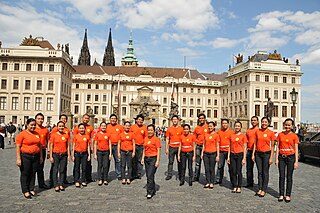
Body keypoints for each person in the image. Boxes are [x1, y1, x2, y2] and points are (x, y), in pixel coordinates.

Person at [16, 118, 43, 199]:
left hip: (36, 156)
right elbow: (18, 146)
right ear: (27, 125)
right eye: (31, 125)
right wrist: (18, 158)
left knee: (33, 172)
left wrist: (41, 156)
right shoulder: (22, 134)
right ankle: (25, 190)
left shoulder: (37, 134)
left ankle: (31, 188)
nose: (33, 126)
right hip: (25, 156)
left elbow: (40, 146)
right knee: (25, 173)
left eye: (34, 125)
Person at [275, 118, 299, 202]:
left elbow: (296, 149)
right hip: (282, 157)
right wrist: (276, 159)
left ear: (292, 126)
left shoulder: (294, 136)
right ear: (284, 125)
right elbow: (277, 147)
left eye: (289, 125)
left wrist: (296, 161)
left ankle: (288, 195)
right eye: (286, 125)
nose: (287, 126)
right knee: (281, 176)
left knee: (289, 177)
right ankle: (281, 194)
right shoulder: (280, 134)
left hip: (291, 158)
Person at [252, 117, 276, 197]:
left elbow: (272, 146)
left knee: (265, 172)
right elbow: (255, 143)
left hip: (266, 154)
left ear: (268, 123)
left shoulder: (271, 133)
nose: (264, 123)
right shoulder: (257, 131)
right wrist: (253, 154)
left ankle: (264, 189)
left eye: (265, 122)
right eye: (263, 122)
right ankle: (259, 188)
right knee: (259, 172)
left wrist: (271, 157)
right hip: (258, 154)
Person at [49, 121, 70, 192]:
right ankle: (55, 185)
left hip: (64, 155)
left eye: (62, 126)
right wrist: (51, 156)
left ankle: (61, 184)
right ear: (57, 127)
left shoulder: (66, 135)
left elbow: (67, 146)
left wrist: (69, 155)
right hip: (56, 154)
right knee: (55, 170)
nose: (61, 127)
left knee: (62, 170)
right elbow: (51, 146)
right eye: (60, 126)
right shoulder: (54, 135)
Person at [141, 124, 161, 199]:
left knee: (149, 175)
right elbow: (144, 149)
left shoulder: (156, 139)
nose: (150, 131)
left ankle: (149, 192)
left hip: (153, 158)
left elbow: (158, 150)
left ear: (154, 131)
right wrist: (142, 158)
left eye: (151, 130)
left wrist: (157, 161)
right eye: (148, 130)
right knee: (149, 175)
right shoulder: (145, 138)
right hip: (146, 158)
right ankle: (153, 189)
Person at [73, 114, 94, 182]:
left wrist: (91, 147)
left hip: (87, 147)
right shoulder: (77, 127)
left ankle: (88, 177)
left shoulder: (90, 127)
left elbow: (92, 138)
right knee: (77, 165)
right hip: (78, 148)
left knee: (88, 164)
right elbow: (74, 138)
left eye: (87, 118)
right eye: (85, 118)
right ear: (82, 118)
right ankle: (76, 178)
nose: (86, 119)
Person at [227, 121, 247, 193]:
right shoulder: (231, 135)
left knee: (239, 171)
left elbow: (245, 147)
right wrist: (228, 157)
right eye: (236, 126)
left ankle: (239, 186)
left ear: (241, 127)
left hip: (240, 154)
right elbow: (229, 146)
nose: (237, 127)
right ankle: (234, 185)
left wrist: (244, 158)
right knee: (233, 171)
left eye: (238, 126)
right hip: (232, 154)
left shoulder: (243, 136)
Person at [201, 121, 220, 189]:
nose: (210, 127)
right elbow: (204, 144)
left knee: (212, 168)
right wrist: (202, 153)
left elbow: (217, 145)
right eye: (209, 126)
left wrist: (218, 155)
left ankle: (212, 182)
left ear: (214, 127)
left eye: (211, 126)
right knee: (206, 168)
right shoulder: (206, 134)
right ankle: (207, 181)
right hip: (206, 153)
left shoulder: (216, 135)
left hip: (213, 153)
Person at [34, 113, 50, 189]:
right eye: (39, 119)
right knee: (33, 168)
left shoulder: (45, 130)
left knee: (40, 168)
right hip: (34, 150)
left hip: (42, 150)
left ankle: (41, 183)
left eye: (42, 119)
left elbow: (48, 140)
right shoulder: (33, 129)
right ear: (35, 119)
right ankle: (31, 185)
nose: (40, 120)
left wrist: (49, 151)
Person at [72, 123, 91, 187]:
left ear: (85, 129)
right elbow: (73, 146)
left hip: (84, 154)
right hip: (77, 153)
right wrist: (72, 155)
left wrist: (89, 155)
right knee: (77, 167)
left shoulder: (87, 136)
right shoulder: (76, 136)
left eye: (83, 128)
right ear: (78, 129)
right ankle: (76, 180)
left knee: (84, 167)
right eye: (80, 128)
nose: (81, 129)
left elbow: (88, 146)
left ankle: (83, 180)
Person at [165, 115, 183, 180]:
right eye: (173, 119)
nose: (175, 120)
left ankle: (180, 174)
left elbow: (183, 138)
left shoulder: (181, 129)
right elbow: (167, 138)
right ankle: (169, 174)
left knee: (180, 161)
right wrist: (166, 148)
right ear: (172, 120)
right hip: (171, 147)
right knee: (170, 161)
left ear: (178, 120)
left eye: (176, 119)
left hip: (179, 147)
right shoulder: (169, 129)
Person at [216, 119, 234, 184]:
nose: (224, 125)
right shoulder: (219, 132)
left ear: (228, 124)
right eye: (223, 123)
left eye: (225, 123)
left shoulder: (231, 132)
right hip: (221, 151)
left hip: (229, 151)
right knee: (220, 166)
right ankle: (218, 179)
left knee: (231, 167)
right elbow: (217, 142)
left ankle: (233, 180)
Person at [94, 122, 112, 186]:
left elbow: (110, 144)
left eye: (104, 126)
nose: (103, 127)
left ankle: (105, 179)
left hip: (106, 152)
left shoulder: (108, 134)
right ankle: (100, 179)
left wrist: (110, 153)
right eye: (102, 126)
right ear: (100, 127)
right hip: (99, 152)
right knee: (100, 166)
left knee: (105, 166)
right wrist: (95, 154)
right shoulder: (97, 134)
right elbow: (95, 144)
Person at [107, 114, 124, 180]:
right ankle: (105, 174)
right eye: (112, 118)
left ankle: (119, 174)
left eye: (114, 118)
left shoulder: (120, 127)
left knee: (118, 160)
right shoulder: (107, 126)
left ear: (116, 119)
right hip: (108, 145)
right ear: (110, 119)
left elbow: (122, 135)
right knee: (107, 160)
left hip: (117, 145)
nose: (113, 119)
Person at [130, 114, 147, 179]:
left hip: (141, 145)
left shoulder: (144, 128)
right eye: (139, 119)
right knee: (133, 160)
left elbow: (146, 137)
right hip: (134, 145)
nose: (140, 121)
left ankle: (138, 173)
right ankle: (133, 173)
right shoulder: (132, 127)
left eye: (141, 120)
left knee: (140, 160)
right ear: (136, 120)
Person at [193, 113, 208, 182]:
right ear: (198, 119)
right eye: (200, 118)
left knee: (206, 163)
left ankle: (207, 177)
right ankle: (196, 176)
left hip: (206, 147)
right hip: (199, 147)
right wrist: (197, 141)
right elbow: (194, 137)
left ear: (205, 119)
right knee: (197, 163)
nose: (201, 119)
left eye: (202, 118)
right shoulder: (197, 128)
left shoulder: (208, 127)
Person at [245, 116, 259, 187]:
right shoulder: (248, 131)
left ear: (257, 121)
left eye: (255, 120)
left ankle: (260, 183)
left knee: (260, 169)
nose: (253, 122)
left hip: (258, 151)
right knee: (249, 168)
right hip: (250, 150)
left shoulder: (259, 130)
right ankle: (249, 182)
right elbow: (246, 141)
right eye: (252, 120)